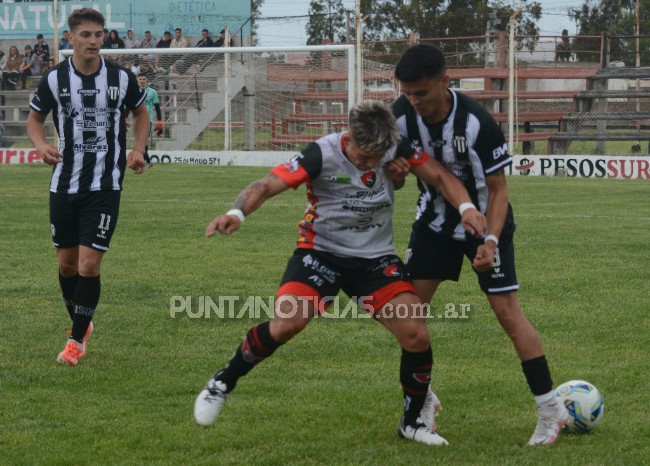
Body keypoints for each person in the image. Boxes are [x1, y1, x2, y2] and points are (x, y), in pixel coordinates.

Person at [193, 100, 487, 446]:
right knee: (287, 323)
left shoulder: (394, 147)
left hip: (374, 260)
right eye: (364, 157)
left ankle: (411, 423)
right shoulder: (321, 154)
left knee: (416, 334)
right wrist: (237, 214)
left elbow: (439, 175)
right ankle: (222, 383)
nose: (371, 164)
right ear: (348, 138)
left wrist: (466, 207)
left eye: (378, 158)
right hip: (320, 255)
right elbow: (266, 185)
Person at [390, 43, 568, 446]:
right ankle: (421, 401)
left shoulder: (476, 122)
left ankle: (549, 409)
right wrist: (396, 173)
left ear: (444, 83)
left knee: (507, 313)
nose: (414, 101)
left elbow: (499, 190)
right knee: (407, 316)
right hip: (433, 224)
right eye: (407, 93)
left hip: (487, 224)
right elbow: (396, 180)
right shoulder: (399, 119)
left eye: (421, 92)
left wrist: (489, 241)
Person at [26, 7, 149, 367]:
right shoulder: (54, 79)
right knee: (67, 266)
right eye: (86, 35)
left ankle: (75, 341)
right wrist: (41, 145)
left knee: (89, 265)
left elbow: (140, 113)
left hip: (105, 186)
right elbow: (35, 118)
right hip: (64, 185)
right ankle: (82, 321)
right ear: (71, 38)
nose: (94, 40)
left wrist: (138, 149)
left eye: (98, 34)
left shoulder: (121, 78)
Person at [137, 72, 163, 167]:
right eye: (140, 79)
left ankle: (146, 161)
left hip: (148, 119)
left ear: (147, 80)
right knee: (140, 140)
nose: (142, 81)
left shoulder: (152, 92)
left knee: (144, 140)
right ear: (137, 80)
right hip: (137, 119)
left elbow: (157, 107)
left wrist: (159, 121)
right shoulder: (134, 91)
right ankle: (146, 161)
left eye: (144, 79)